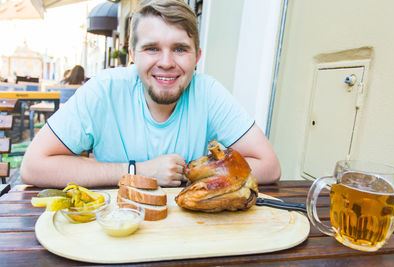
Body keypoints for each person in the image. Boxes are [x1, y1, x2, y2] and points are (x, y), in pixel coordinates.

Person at [20, 0, 280, 188]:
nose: (166, 62)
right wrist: (138, 172)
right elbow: (33, 166)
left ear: (197, 57)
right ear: (132, 55)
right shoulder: (104, 90)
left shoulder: (207, 92)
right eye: (152, 48)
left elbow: (269, 165)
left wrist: (191, 173)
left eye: (179, 49)